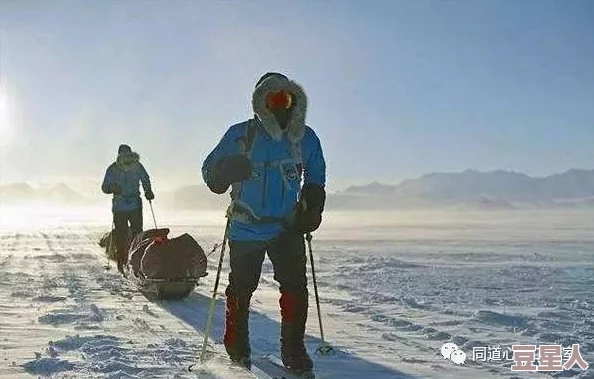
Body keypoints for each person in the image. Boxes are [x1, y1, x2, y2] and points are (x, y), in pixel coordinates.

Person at [202, 72, 326, 378]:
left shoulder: (305, 138)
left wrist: (313, 201)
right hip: (246, 227)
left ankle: (294, 351)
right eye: (273, 99)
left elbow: (316, 174)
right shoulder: (240, 135)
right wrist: (224, 171)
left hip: (288, 228)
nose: (281, 105)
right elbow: (209, 171)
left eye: (287, 99)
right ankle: (237, 346)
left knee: (295, 288)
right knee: (241, 289)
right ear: (261, 103)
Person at [101, 144, 155, 274]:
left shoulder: (136, 166)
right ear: (119, 155)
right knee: (121, 234)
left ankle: (136, 260)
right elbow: (104, 187)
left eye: (127, 154)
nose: (126, 157)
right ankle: (122, 259)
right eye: (123, 154)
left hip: (134, 204)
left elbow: (145, 179)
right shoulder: (113, 169)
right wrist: (112, 188)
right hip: (120, 206)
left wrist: (148, 190)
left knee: (137, 233)